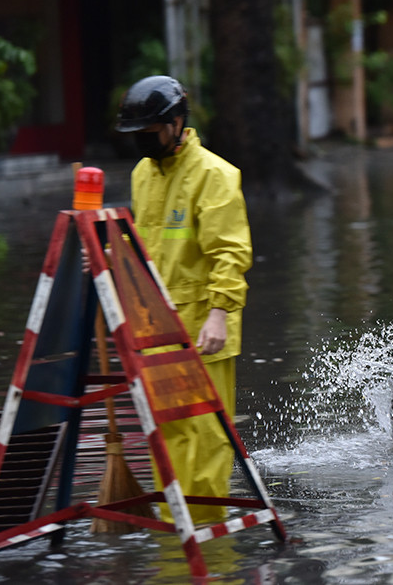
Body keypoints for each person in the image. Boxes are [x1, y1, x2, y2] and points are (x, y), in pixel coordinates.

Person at [115, 75, 253, 523]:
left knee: (207, 437)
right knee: (167, 433)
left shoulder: (215, 176)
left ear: (176, 123)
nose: (141, 142)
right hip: (155, 330)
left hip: (205, 329)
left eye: (148, 132)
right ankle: (174, 532)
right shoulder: (143, 175)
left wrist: (218, 313)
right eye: (135, 135)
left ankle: (209, 540)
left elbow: (230, 253)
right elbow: (146, 249)